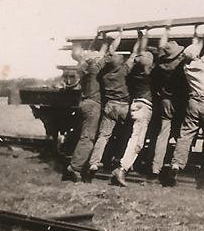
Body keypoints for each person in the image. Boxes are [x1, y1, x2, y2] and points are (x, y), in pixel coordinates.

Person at [167, 21, 204, 188]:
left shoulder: (186, 67)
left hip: (193, 102)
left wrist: (197, 33)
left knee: (186, 135)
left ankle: (176, 164)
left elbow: (193, 49)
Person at [88, 27, 141, 186]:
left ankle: (94, 163)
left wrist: (119, 34)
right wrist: (139, 39)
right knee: (127, 135)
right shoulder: (124, 70)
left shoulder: (104, 74)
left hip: (110, 106)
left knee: (103, 136)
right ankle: (120, 162)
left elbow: (110, 51)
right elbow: (134, 53)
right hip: (124, 106)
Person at [65, 32, 110, 182]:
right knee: (88, 138)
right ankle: (75, 168)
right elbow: (105, 52)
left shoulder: (82, 66)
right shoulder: (94, 69)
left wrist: (97, 39)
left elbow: (95, 52)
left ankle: (78, 163)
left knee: (84, 134)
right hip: (93, 105)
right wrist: (107, 40)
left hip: (84, 103)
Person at [112, 27, 154, 186]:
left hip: (135, 104)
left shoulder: (133, 71)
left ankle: (120, 165)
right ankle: (122, 169)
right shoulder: (150, 75)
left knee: (132, 136)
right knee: (137, 142)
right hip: (144, 108)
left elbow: (138, 55)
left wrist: (141, 37)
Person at [149, 23, 188, 180]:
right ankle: (175, 164)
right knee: (181, 134)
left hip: (165, 101)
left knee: (162, 134)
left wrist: (165, 30)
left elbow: (161, 47)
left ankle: (155, 167)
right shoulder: (180, 63)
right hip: (179, 101)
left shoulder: (160, 63)